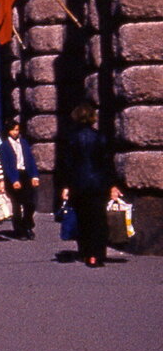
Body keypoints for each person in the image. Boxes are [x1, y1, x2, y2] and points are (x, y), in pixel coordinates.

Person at [57, 101, 122, 267]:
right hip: (98, 183)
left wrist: (65, 186)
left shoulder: (70, 138)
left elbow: (67, 164)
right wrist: (112, 184)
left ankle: (86, 252)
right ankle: (97, 254)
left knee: (83, 218)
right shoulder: (100, 136)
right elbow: (107, 163)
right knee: (98, 218)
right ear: (93, 118)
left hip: (79, 184)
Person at [0, 118, 40, 240]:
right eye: (13, 130)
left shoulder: (24, 143)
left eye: (17, 130)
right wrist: (13, 180)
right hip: (14, 176)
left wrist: (34, 175)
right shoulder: (4, 147)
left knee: (30, 203)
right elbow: (5, 165)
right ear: (8, 131)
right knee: (17, 204)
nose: (16, 132)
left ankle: (28, 225)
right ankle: (19, 230)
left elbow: (31, 160)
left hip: (25, 175)